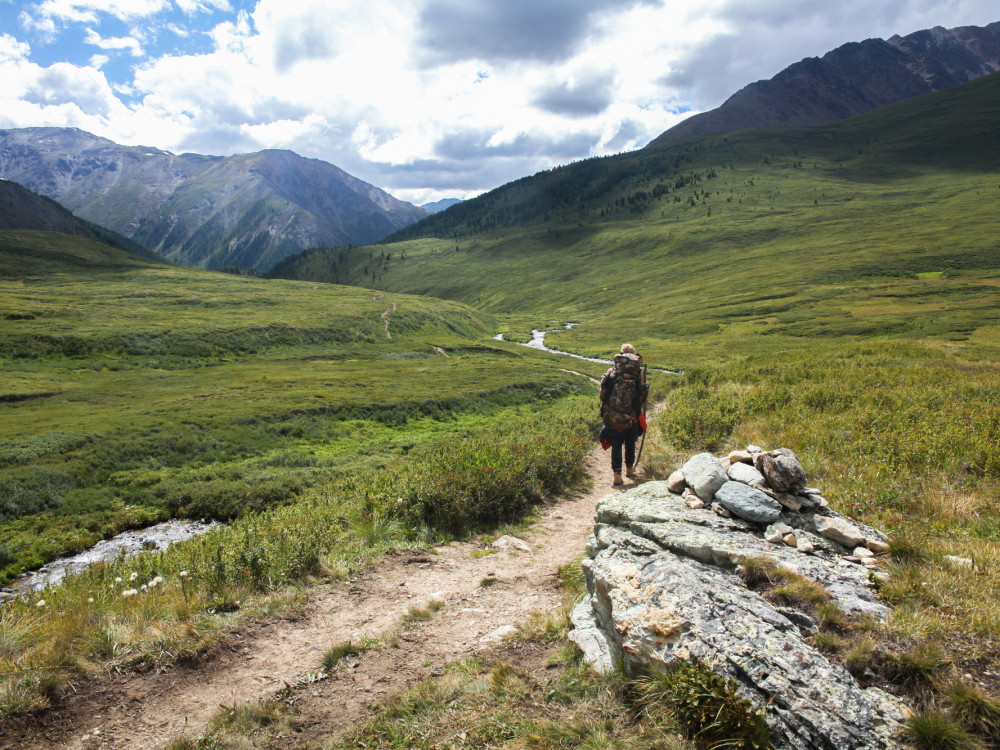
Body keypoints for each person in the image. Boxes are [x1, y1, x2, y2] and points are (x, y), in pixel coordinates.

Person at [599, 343, 648, 485]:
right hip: (631, 415)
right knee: (630, 441)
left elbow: (603, 395)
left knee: (616, 443)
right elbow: (641, 397)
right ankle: (629, 469)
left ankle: (617, 474)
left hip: (613, 414)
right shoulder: (638, 374)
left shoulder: (612, 372)